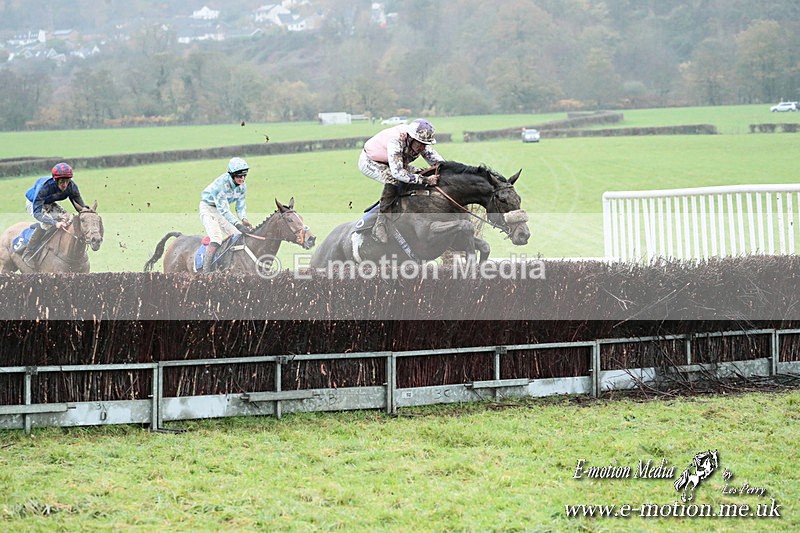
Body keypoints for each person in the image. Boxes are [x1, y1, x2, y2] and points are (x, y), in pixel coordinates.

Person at [359, 119, 445, 242]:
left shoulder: (420, 142)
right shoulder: (396, 141)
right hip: (371, 161)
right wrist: (425, 180)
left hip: (394, 162)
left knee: (418, 173)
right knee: (393, 180)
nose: (422, 147)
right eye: (420, 143)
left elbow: (439, 163)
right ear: (411, 138)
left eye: (425, 144)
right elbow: (398, 173)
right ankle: (380, 224)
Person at [20, 162, 90, 262]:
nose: (65, 184)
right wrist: (55, 223)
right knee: (47, 225)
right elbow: (37, 213)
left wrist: (87, 213)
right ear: (55, 180)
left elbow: (80, 206)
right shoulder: (44, 187)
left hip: (49, 202)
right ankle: (28, 252)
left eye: (67, 181)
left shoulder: (72, 186)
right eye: (62, 181)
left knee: (68, 219)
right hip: (34, 204)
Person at [199, 157, 252, 272]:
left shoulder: (243, 186)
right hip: (208, 208)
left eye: (244, 176)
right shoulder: (220, 186)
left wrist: (244, 220)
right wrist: (238, 224)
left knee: (238, 236)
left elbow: (240, 207)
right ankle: (205, 271)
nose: (242, 179)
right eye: (239, 176)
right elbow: (224, 211)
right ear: (232, 174)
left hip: (220, 210)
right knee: (216, 238)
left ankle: (231, 264)